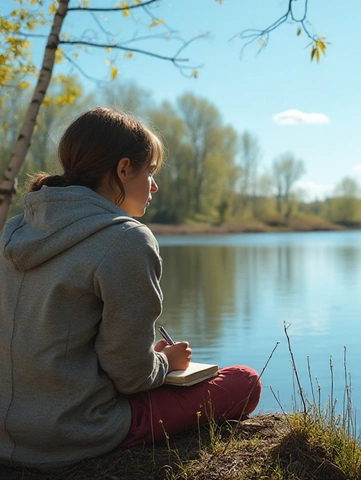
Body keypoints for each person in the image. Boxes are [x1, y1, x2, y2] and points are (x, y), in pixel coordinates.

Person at [0, 107, 261, 471]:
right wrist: (165, 362)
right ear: (123, 170)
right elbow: (131, 377)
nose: (154, 186)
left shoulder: (16, 230)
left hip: (8, 429)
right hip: (72, 432)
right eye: (149, 171)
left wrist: (143, 356)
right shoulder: (126, 239)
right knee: (244, 381)